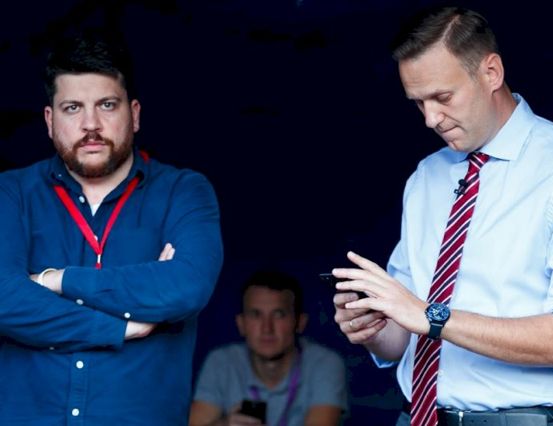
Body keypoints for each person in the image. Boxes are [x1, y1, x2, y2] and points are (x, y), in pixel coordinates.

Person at [331, 6, 553, 426]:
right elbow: (405, 333)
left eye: (442, 97)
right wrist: (373, 326)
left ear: (491, 73)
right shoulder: (426, 177)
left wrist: (432, 317)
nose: (430, 119)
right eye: (418, 103)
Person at [0, 32, 223, 425]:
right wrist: (120, 328)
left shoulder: (183, 192)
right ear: (50, 120)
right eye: (72, 108)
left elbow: (186, 285)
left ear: (134, 114)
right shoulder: (11, 192)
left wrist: (55, 281)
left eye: (106, 105)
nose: (90, 124)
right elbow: (4, 298)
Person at [190, 269, 348, 426]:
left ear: (300, 322)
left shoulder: (324, 363)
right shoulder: (221, 362)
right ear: (241, 324)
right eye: (256, 315)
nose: (267, 328)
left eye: (279, 314)